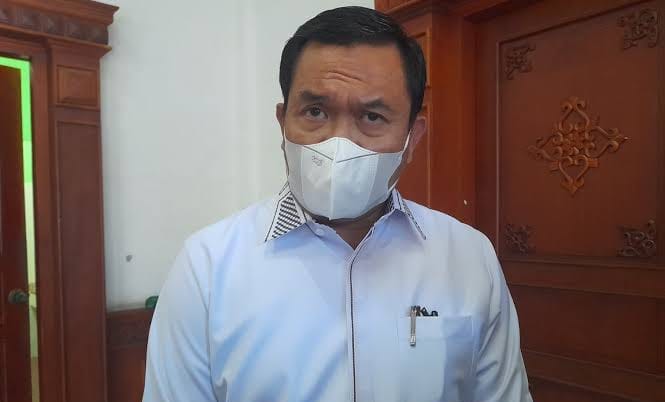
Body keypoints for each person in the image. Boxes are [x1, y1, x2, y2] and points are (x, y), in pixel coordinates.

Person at [142, 6, 533, 402]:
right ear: (283, 122)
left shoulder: (468, 257)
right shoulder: (208, 268)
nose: (339, 143)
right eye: (315, 111)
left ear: (412, 138)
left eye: (372, 116)